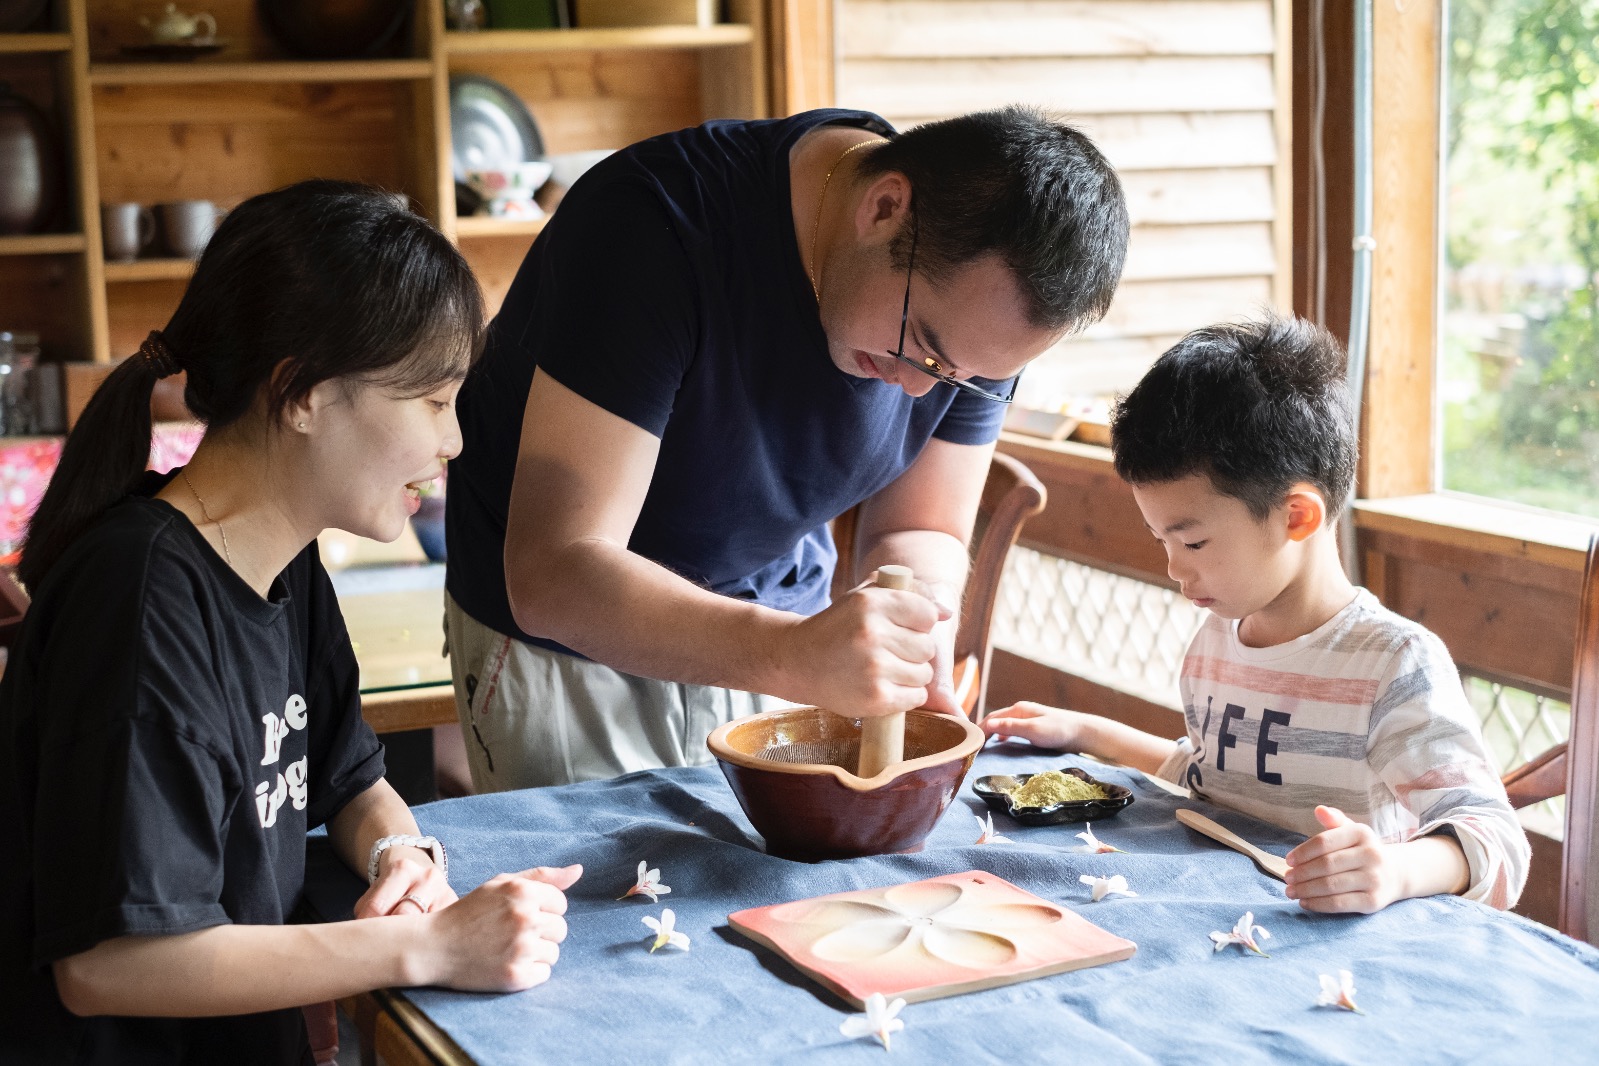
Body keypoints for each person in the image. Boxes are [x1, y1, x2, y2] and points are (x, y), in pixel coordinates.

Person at [0, 181, 581, 1066]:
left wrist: (401, 853)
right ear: (303, 393)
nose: (453, 441)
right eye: (432, 401)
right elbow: (110, 965)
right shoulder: (140, 597)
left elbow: (349, 781)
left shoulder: (283, 558)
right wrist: (427, 945)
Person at [444, 105, 1130, 789]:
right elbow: (555, 572)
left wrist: (909, 636)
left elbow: (919, 526)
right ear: (885, 207)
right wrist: (788, 654)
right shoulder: (653, 226)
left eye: (970, 379)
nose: (921, 392)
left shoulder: (975, 318)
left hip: (782, 624)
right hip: (568, 653)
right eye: (921, 344)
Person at [982, 314, 1530, 915]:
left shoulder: (1393, 664)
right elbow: (1213, 779)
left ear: (1297, 517)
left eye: (1191, 544)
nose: (1174, 569)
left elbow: (1496, 839)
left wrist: (1397, 869)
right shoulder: (1217, 640)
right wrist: (1088, 734)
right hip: (1228, 922)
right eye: (1161, 541)